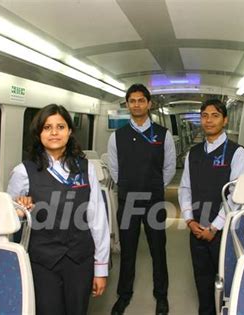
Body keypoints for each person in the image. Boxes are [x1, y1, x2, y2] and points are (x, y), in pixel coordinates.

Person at [7, 104, 110, 315]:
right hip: (43, 261)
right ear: (39, 133)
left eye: (60, 126)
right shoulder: (23, 172)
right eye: (47, 127)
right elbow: (9, 218)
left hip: (80, 259)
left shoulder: (86, 168)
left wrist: (100, 269)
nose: (54, 133)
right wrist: (20, 210)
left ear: (70, 131)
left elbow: (97, 219)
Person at [107, 84, 176, 315]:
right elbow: (115, 170)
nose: (136, 104)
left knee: (159, 249)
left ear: (148, 104)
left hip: (154, 201)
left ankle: (161, 296)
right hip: (128, 201)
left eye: (140, 100)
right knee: (128, 250)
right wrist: (130, 186)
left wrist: (154, 186)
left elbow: (169, 168)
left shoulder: (162, 135)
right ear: (127, 105)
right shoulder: (117, 137)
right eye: (132, 101)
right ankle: (123, 295)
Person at [178, 99, 244, 315]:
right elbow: (184, 188)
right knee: (201, 277)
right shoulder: (194, 153)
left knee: (226, 277)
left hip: (224, 229)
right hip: (197, 226)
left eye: (215, 115)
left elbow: (235, 194)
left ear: (225, 120)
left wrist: (215, 227)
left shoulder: (237, 153)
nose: (209, 120)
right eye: (205, 115)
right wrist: (190, 220)